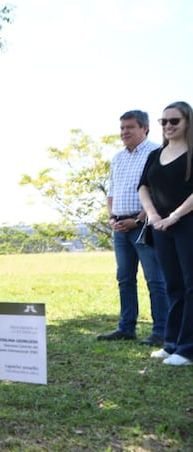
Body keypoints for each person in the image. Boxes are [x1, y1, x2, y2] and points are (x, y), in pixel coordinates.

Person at [97, 110, 168, 346]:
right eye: (122, 128)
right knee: (125, 278)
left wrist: (137, 221)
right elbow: (112, 194)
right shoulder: (117, 158)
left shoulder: (156, 152)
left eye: (130, 127)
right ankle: (126, 328)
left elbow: (157, 193)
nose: (124, 132)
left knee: (154, 279)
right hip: (119, 227)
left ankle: (161, 330)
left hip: (144, 226)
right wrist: (112, 219)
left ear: (144, 129)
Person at [138, 101, 193, 366]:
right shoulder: (155, 155)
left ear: (187, 122)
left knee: (191, 286)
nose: (168, 126)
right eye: (164, 121)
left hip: (187, 224)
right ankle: (171, 344)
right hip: (160, 227)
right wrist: (154, 216)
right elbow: (143, 187)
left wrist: (175, 215)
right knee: (174, 286)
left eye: (175, 121)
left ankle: (187, 349)